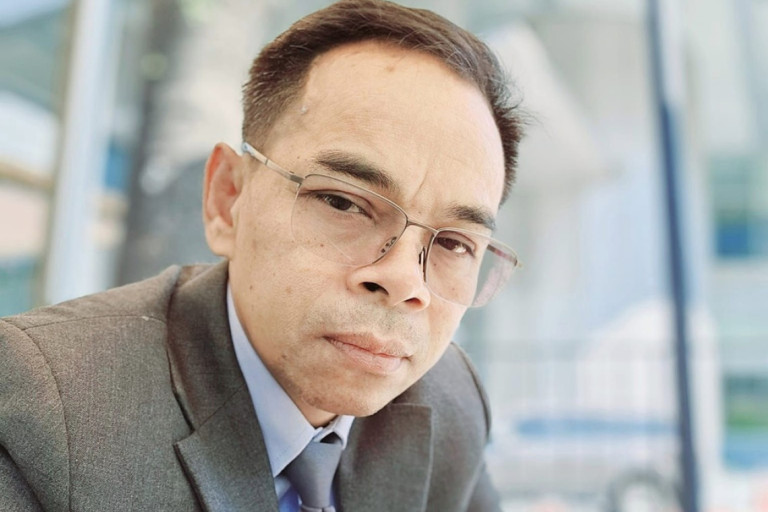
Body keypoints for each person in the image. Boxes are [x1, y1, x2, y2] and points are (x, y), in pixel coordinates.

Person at [0, 0, 524, 510]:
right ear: (228, 198)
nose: (405, 281)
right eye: (343, 203)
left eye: (454, 243)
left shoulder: (448, 400)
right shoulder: (43, 408)